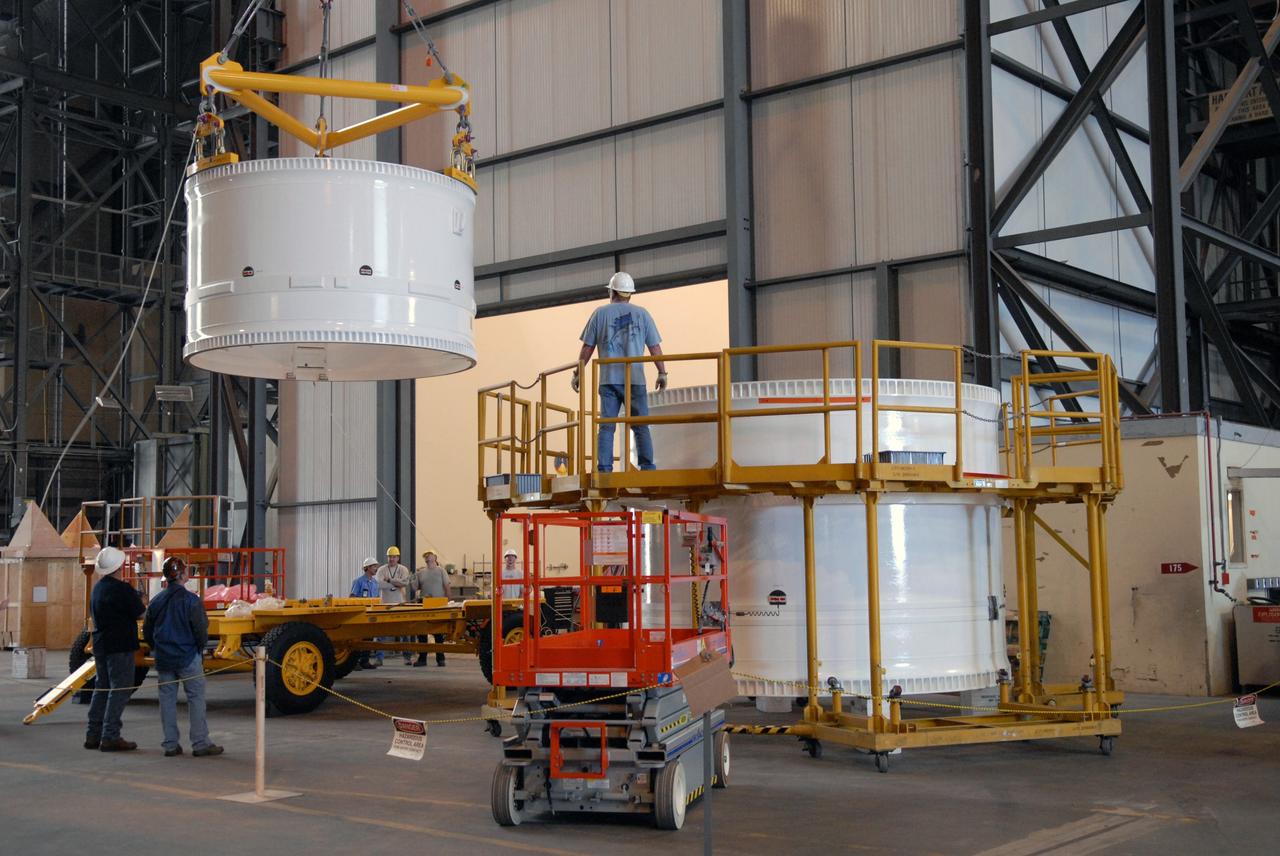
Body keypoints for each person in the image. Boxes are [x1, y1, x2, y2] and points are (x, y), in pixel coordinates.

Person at [572, 271, 668, 472]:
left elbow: (587, 347)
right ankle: (648, 468)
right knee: (641, 426)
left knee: (607, 426)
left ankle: (604, 469)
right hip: (635, 380)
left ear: (613, 291)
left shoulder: (600, 313)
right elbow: (655, 347)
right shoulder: (643, 314)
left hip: (609, 380)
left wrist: (578, 372)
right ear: (630, 293)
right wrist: (662, 372)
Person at [142, 557, 223, 758]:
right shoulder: (192, 601)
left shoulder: (156, 602)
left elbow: (147, 631)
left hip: (164, 658)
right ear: (183, 575)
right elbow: (200, 630)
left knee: (167, 701)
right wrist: (199, 649)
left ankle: (170, 745)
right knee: (196, 699)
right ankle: (200, 743)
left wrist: (158, 648)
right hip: (188, 656)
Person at [85, 546, 146, 752]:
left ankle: (93, 734)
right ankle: (110, 736)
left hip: (101, 643)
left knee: (102, 688)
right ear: (120, 566)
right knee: (120, 689)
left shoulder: (98, 588)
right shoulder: (122, 589)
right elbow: (141, 614)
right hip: (120, 645)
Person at [409, 551, 450, 667]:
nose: (428, 558)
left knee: (438, 633)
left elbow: (447, 587)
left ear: (435, 557)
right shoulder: (421, 573)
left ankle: (440, 659)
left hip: (438, 605)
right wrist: (412, 577)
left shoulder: (441, 571)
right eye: (426, 557)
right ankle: (422, 659)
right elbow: (415, 587)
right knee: (422, 633)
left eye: (430, 556)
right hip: (424, 605)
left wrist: (449, 602)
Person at [377, 546, 411, 665]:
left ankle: (407, 658)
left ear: (398, 558)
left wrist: (389, 581)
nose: (392, 559)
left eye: (394, 557)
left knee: (404, 632)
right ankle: (379, 658)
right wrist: (397, 584)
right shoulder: (382, 570)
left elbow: (405, 583)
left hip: (400, 603)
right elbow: (380, 585)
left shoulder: (403, 569)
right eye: (390, 557)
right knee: (381, 632)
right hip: (385, 604)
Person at [350, 558, 380, 669]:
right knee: (359, 638)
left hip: (371, 613)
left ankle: (365, 661)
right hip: (361, 613)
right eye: (374, 567)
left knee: (369, 637)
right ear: (367, 568)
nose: (376, 569)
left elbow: (376, 598)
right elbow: (352, 597)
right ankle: (355, 662)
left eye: (376, 567)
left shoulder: (375, 583)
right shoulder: (358, 582)